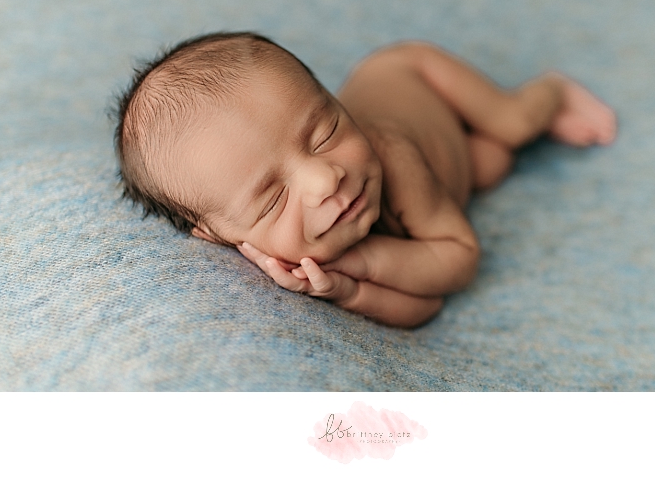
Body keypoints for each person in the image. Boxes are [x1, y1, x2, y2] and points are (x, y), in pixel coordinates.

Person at [114, 32, 616, 328]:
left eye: (326, 130)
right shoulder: (283, 250)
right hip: (453, 165)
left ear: (333, 99)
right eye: (272, 198)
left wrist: (363, 261)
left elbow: (457, 260)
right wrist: (346, 291)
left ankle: (550, 91)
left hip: (415, 76)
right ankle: (471, 149)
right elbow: (424, 306)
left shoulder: (390, 156)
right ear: (219, 233)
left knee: (511, 126)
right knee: (491, 163)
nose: (324, 179)